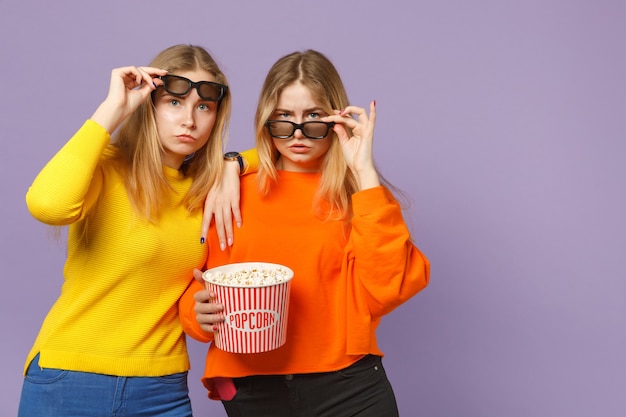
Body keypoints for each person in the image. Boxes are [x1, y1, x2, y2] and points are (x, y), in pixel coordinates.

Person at [179, 49, 431, 417]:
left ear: (336, 118)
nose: (297, 134)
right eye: (283, 118)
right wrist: (194, 313)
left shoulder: (362, 196)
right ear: (266, 119)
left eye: (313, 117)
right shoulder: (230, 189)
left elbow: (387, 289)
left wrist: (364, 174)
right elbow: (196, 276)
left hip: (350, 384)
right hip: (252, 384)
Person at [18, 44, 255, 417]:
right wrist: (112, 110)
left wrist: (235, 162)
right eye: (174, 103)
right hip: (71, 376)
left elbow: (284, 153)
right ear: (149, 104)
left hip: (162, 389)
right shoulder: (106, 167)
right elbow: (48, 205)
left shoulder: (206, 195)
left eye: (203, 107)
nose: (189, 120)